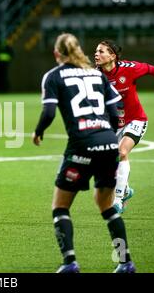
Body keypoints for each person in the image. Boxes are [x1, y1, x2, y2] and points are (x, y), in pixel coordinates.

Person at [32, 33, 135, 273]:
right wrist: (106, 135)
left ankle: (70, 263)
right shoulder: (97, 74)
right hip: (109, 144)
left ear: (57, 54)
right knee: (107, 206)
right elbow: (115, 110)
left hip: (81, 145)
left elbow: (48, 113)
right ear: (78, 50)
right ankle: (126, 262)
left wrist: (38, 132)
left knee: (60, 206)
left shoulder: (54, 76)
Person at [95, 40, 154, 213]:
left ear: (112, 56)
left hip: (136, 120)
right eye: (96, 51)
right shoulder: (95, 75)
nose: (96, 54)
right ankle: (126, 190)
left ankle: (117, 200)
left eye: (101, 51)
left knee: (122, 152)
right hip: (114, 124)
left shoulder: (129, 68)